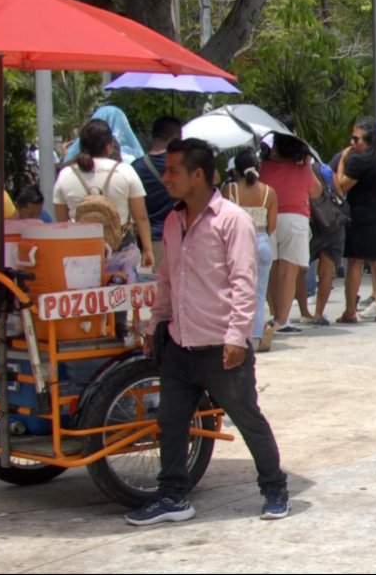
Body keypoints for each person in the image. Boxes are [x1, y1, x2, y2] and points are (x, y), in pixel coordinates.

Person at [130, 138, 289, 525]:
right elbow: (167, 279)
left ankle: (274, 487)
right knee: (170, 422)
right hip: (179, 343)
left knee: (247, 417)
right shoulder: (171, 221)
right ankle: (172, 496)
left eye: (172, 171)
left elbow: (244, 281)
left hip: (221, 346)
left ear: (197, 175)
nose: (165, 178)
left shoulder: (232, 220)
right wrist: (156, 326)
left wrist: (238, 337)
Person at [52, 118, 154, 267]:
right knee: (119, 289)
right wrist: (147, 249)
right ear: (109, 146)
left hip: (80, 249)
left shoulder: (66, 174)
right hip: (120, 247)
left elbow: (62, 222)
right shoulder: (125, 171)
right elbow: (141, 218)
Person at [259, 133, 320, 334]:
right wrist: (307, 164)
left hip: (269, 219)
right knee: (289, 274)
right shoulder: (303, 171)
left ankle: (274, 314)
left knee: (271, 271)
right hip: (296, 220)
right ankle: (282, 320)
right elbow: (316, 192)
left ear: (275, 149)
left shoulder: (263, 168)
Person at [335, 117, 376, 322]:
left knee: (355, 262)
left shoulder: (359, 161)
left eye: (356, 138)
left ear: (366, 140)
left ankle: (350, 310)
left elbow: (341, 185)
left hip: (359, 214)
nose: (352, 143)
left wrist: (342, 162)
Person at [223, 150, 277, 351]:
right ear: (259, 167)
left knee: (233, 291)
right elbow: (272, 225)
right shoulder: (269, 192)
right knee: (258, 293)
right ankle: (254, 339)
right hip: (261, 240)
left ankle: (236, 337)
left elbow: (223, 221)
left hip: (237, 243)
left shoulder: (230, 190)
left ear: (235, 169)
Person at [298, 159, 344, 325]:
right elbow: (340, 194)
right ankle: (319, 313)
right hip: (333, 222)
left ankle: (305, 312)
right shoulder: (325, 169)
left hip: (314, 226)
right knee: (326, 272)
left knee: (299, 271)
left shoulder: (301, 172)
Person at [137, 116, 182, 269]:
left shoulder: (135, 167)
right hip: (179, 236)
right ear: (175, 137)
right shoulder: (181, 164)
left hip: (149, 241)